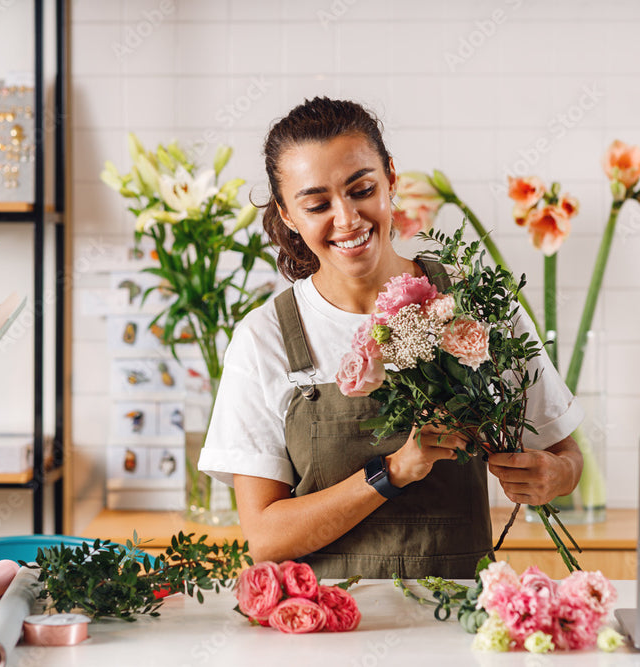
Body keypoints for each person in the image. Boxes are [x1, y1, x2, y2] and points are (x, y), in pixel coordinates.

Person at [197, 97, 584, 579]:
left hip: (459, 627)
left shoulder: (476, 303)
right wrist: (394, 471)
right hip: (326, 631)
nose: (347, 218)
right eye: (317, 204)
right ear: (288, 215)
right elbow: (265, 539)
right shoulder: (265, 337)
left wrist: (553, 476)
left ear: (391, 179)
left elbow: (566, 456)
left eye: (361, 189)